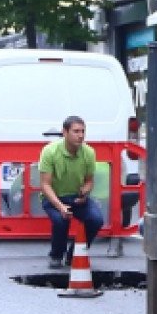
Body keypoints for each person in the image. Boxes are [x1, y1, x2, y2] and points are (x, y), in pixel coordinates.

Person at [40, 115, 104, 268]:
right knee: (61, 221)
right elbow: (45, 185)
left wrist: (85, 192)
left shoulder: (88, 152)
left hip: (76, 198)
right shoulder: (50, 151)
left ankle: (75, 253)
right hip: (53, 197)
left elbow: (89, 181)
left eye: (83, 131)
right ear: (65, 132)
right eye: (76, 131)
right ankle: (56, 255)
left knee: (96, 220)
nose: (80, 135)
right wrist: (60, 206)